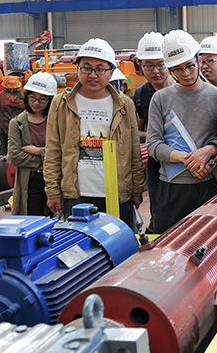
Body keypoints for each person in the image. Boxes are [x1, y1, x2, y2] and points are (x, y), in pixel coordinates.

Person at [44, 38, 145, 228]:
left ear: (111, 72)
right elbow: (53, 150)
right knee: (80, 246)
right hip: (76, 194)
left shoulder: (124, 105)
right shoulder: (61, 103)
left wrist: (137, 189)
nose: (92, 74)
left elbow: (133, 151)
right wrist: (52, 191)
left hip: (116, 193)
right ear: (78, 69)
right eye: (86, 68)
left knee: (118, 244)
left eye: (100, 69)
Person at [146, 30, 217, 233]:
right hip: (171, 188)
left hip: (208, 184)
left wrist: (208, 152)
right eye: (178, 69)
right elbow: (153, 144)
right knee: (168, 242)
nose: (186, 73)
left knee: (209, 241)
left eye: (190, 65)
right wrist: (189, 159)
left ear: (199, 60)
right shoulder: (160, 99)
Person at [132, 32, 175, 232]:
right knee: (159, 218)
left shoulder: (184, 88)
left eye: (160, 64)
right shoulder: (141, 94)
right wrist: (154, 138)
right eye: (148, 65)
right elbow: (136, 131)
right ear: (140, 65)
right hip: (156, 165)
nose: (155, 71)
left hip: (185, 164)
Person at [7, 72, 57, 215]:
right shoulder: (17, 123)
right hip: (31, 179)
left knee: (58, 220)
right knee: (33, 219)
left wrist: (38, 151)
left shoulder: (56, 121)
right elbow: (14, 156)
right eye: (33, 97)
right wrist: (46, 156)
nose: (36, 102)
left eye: (42, 99)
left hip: (54, 178)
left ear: (50, 100)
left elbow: (63, 149)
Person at [0, 75, 25, 153]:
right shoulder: (12, 98)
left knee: (5, 145)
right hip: (11, 126)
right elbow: (24, 105)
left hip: (2, 125)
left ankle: (4, 158)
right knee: (14, 146)